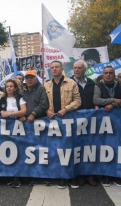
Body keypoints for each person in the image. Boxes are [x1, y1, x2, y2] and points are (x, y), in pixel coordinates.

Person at [44, 60, 81, 189]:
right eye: (52, 67)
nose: (54, 69)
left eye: (57, 67)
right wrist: (47, 110)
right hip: (52, 122)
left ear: (62, 68)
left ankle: (72, 176)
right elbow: (42, 102)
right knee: (56, 149)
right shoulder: (46, 85)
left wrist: (66, 109)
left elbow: (77, 101)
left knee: (69, 149)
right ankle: (61, 177)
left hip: (68, 120)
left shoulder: (71, 83)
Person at [70, 60, 97, 188]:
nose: (76, 70)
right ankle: (79, 175)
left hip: (90, 121)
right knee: (77, 148)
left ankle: (90, 175)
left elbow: (96, 99)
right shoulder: (68, 83)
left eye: (79, 68)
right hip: (74, 121)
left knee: (89, 148)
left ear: (84, 70)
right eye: (75, 68)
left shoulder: (92, 83)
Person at [93, 66, 121, 187]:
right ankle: (105, 175)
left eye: (111, 73)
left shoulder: (119, 85)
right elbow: (96, 100)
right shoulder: (98, 85)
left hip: (117, 122)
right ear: (103, 74)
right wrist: (114, 101)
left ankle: (116, 174)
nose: (108, 75)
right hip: (103, 123)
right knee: (104, 148)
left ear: (114, 74)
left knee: (117, 148)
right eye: (106, 73)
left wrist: (112, 105)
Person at [0, 78, 26, 188]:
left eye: (11, 86)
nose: (9, 88)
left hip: (18, 128)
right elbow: (2, 112)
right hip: (6, 128)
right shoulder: (2, 99)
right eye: (7, 86)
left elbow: (24, 111)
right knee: (8, 151)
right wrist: (16, 114)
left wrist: (10, 114)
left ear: (15, 88)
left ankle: (18, 177)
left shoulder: (20, 98)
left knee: (19, 150)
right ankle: (10, 176)